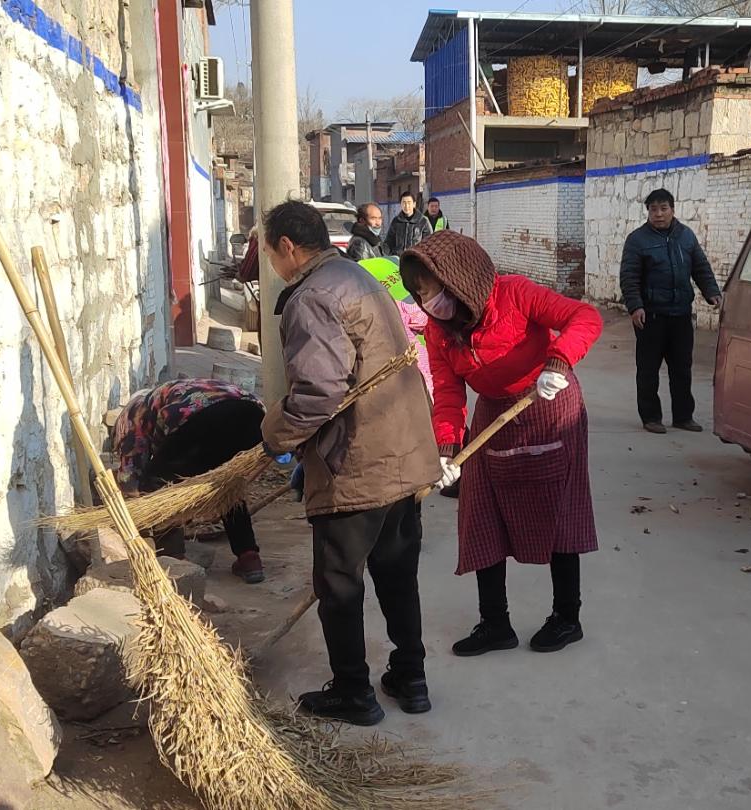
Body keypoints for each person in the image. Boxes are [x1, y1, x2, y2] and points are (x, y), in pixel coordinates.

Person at [259, 200, 440, 726]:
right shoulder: (355, 276)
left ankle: (353, 692)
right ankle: (412, 677)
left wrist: (276, 436)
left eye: (270, 252)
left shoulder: (312, 296)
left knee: (339, 584)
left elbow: (317, 391)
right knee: (397, 574)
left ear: (288, 248)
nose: (272, 263)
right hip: (404, 452)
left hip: (359, 462)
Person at [399, 231, 603, 656]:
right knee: (480, 513)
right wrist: (448, 449)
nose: (426, 304)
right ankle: (495, 623)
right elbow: (449, 392)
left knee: (558, 510)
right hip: (494, 413)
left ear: (458, 279)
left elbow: (585, 317)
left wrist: (559, 360)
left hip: (550, 404)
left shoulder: (516, 294)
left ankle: (567, 617)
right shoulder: (440, 331)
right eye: (419, 295)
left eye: (431, 291)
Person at [112, 379, 266, 583]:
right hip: (255, 415)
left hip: (198, 420)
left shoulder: (133, 413)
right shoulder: (177, 390)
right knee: (227, 487)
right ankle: (249, 557)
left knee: (160, 486)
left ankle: (174, 560)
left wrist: (137, 507)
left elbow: (130, 472)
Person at [619, 188, 722, 435]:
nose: (658, 214)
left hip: (680, 314)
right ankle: (651, 417)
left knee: (681, 368)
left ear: (672, 210)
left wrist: (712, 292)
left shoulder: (686, 236)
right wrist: (636, 307)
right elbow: (629, 277)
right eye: (653, 209)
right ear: (648, 212)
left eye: (663, 208)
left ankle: (683, 417)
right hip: (650, 316)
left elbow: (701, 267)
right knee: (648, 369)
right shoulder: (637, 240)